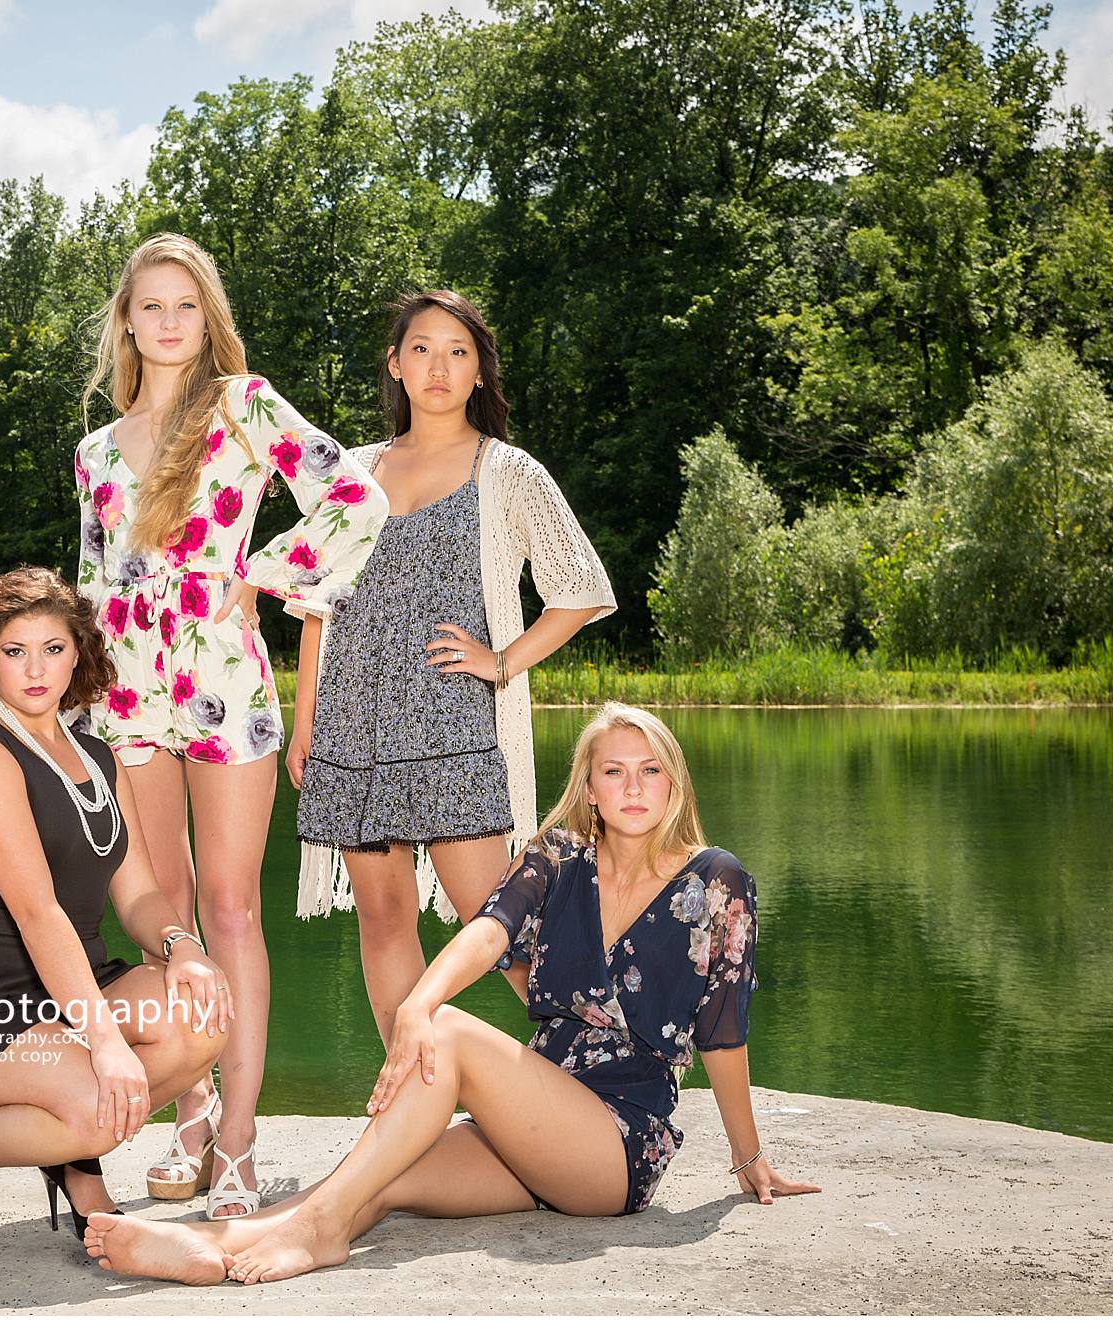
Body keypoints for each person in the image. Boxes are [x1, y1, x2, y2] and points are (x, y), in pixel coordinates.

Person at [81, 702, 820, 1286]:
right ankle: (211, 1246)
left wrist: (748, 1157)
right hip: (532, 1123)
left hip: (618, 1144)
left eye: (650, 771)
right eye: (615, 771)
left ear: (674, 782)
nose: (633, 787)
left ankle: (315, 1237)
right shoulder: (559, 856)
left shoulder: (716, 880)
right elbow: (488, 931)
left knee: (449, 1033)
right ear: (590, 787)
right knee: (378, 1176)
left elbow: (723, 1032)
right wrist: (415, 1003)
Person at [73, 234, 388, 1216]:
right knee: (163, 912)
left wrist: (260, 576)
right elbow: (89, 585)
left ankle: (240, 1144)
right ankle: (192, 1115)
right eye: (151, 306)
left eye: (186, 305)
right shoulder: (95, 451)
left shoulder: (243, 406)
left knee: (230, 907)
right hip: (125, 692)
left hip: (221, 681)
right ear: (126, 322)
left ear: (206, 319)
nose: (168, 322)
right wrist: (72, 712)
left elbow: (355, 497)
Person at [0, 567, 234, 1250]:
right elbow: (38, 913)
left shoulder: (98, 757)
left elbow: (139, 894)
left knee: (202, 1013)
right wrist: (106, 1044)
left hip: (71, 989)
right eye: (15, 651)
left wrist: (183, 947)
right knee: (99, 1100)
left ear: (79, 654)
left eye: (53, 649)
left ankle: (71, 1149)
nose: (36, 669)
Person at [289, 290, 616, 1042]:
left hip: (455, 724)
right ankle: (407, 1081)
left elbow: (579, 588)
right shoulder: (352, 472)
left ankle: (591, 1061)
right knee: (383, 916)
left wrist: (501, 661)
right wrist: (305, 723)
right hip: (353, 727)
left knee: (495, 918)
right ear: (396, 366)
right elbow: (313, 605)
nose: (439, 367)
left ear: (478, 372)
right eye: (422, 349)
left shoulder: (508, 471)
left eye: (458, 352)